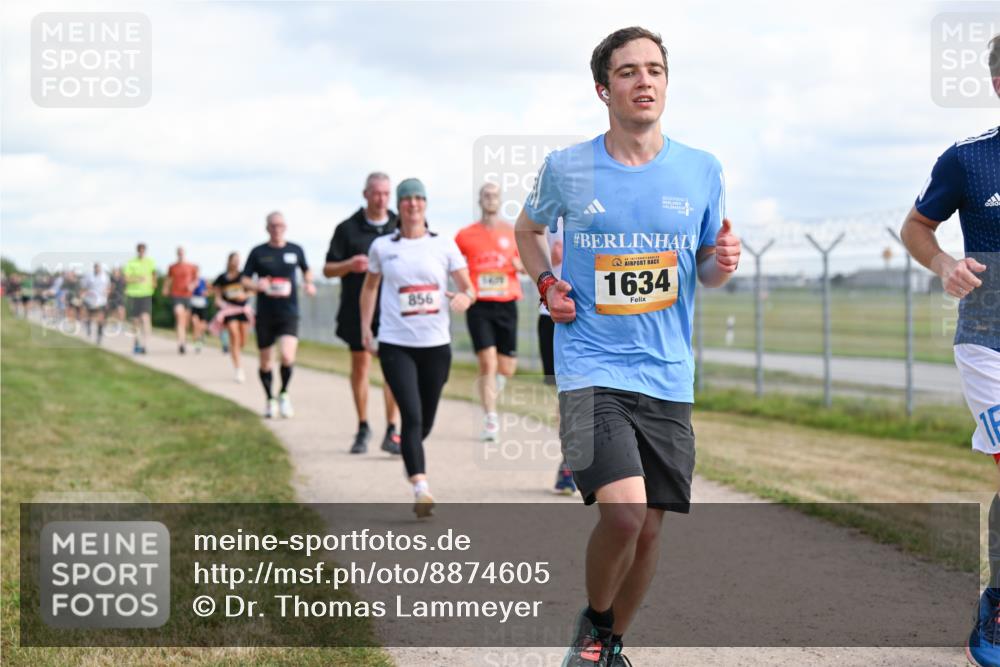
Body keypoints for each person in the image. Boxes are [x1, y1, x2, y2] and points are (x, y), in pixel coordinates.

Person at [515, 27, 740, 666]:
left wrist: (723, 261)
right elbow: (527, 229)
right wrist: (547, 280)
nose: (644, 81)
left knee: (649, 527)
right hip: (590, 363)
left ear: (666, 82)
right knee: (623, 514)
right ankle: (595, 627)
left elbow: (707, 267)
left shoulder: (702, 169)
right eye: (628, 72)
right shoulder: (567, 167)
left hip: (667, 373)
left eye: (655, 70)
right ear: (603, 88)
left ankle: (605, 644)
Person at [900, 33, 999, 667]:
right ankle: (998, 604)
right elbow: (916, 227)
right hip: (989, 340)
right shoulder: (969, 160)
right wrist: (942, 264)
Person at [359, 178, 474, 518]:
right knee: (410, 416)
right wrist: (366, 328)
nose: (412, 204)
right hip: (396, 343)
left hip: (436, 345)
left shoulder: (444, 246)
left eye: (418, 198)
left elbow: (469, 287)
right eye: (406, 199)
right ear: (399, 205)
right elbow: (369, 290)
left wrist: (465, 298)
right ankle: (421, 487)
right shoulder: (382, 247)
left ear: (426, 204)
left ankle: (411, 453)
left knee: (424, 422)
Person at [324, 172, 401, 455]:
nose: (381, 199)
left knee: (393, 370)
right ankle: (363, 425)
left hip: (394, 311)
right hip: (357, 310)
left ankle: (392, 429)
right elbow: (327, 269)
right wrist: (349, 265)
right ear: (365, 194)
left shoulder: (399, 225)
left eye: (385, 194)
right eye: (376, 193)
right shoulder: (347, 229)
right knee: (361, 367)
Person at [455, 183, 526, 441]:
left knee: (506, 368)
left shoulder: (513, 231)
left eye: (494, 195)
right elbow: (453, 264)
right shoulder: (465, 235)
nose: (490, 199)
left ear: (499, 200)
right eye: (486, 195)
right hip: (479, 305)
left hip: (507, 304)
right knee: (488, 363)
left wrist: (522, 266)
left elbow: (529, 265)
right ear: (479, 200)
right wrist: (463, 288)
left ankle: (493, 389)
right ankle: (491, 419)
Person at [242, 212, 316, 418]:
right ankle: (269, 399)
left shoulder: (295, 249)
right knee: (266, 362)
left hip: (289, 312)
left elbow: (307, 270)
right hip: (265, 314)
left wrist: (308, 283)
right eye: (273, 225)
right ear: (267, 228)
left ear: (286, 227)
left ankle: (283, 393)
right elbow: (244, 280)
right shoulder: (258, 252)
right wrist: (258, 286)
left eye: (280, 225)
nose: (277, 229)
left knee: (286, 355)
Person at [536, 218, 576, 495]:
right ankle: (569, 462)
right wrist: (548, 268)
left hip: (590, 313)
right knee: (566, 395)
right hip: (551, 314)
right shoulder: (545, 213)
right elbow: (525, 244)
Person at [213, 252, 253, 383]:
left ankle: (236, 351)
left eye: (238, 260)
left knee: (243, 341)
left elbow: (252, 290)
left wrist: (244, 295)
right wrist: (219, 302)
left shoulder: (243, 277)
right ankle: (238, 369)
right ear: (229, 261)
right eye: (233, 260)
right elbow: (217, 295)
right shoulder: (222, 278)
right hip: (229, 310)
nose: (236, 262)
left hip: (242, 310)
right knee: (234, 336)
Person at [162, 246, 199, 355]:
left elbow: (196, 280)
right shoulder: (172, 267)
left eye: (182, 252)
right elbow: (168, 279)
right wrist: (165, 288)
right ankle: (181, 343)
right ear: (177, 254)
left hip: (187, 295)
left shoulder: (191, 266)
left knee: (185, 322)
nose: (180, 254)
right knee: (179, 316)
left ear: (184, 253)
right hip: (176, 294)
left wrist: (192, 285)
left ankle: (184, 340)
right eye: (179, 252)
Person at [123, 243, 157, 354]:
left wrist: (154, 282)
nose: (141, 252)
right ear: (137, 251)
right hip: (133, 294)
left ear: (145, 251)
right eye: (140, 250)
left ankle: (145, 345)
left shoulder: (150, 262)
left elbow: (153, 274)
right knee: (135, 321)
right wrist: (137, 279)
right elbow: (126, 279)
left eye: (143, 250)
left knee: (145, 318)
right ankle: (136, 342)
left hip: (146, 294)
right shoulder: (131, 263)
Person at [81, 262, 110, 344]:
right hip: (90, 300)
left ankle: (99, 336)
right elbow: (84, 287)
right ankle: (88, 328)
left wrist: (107, 295)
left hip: (101, 301)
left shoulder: (105, 277)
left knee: (100, 319)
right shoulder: (89, 276)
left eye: (98, 268)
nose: (97, 269)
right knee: (89, 317)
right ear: (94, 268)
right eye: (96, 268)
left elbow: (108, 287)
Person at [189, 277, 209, 353]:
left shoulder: (203, 281)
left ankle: (202, 335)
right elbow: (189, 289)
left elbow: (210, 290)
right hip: (194, 305)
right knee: (195, 324)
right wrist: (194, 284)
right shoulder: (191, 280)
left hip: (203, 305)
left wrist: (206, 292)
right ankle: (198, 344)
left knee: (202, 326)